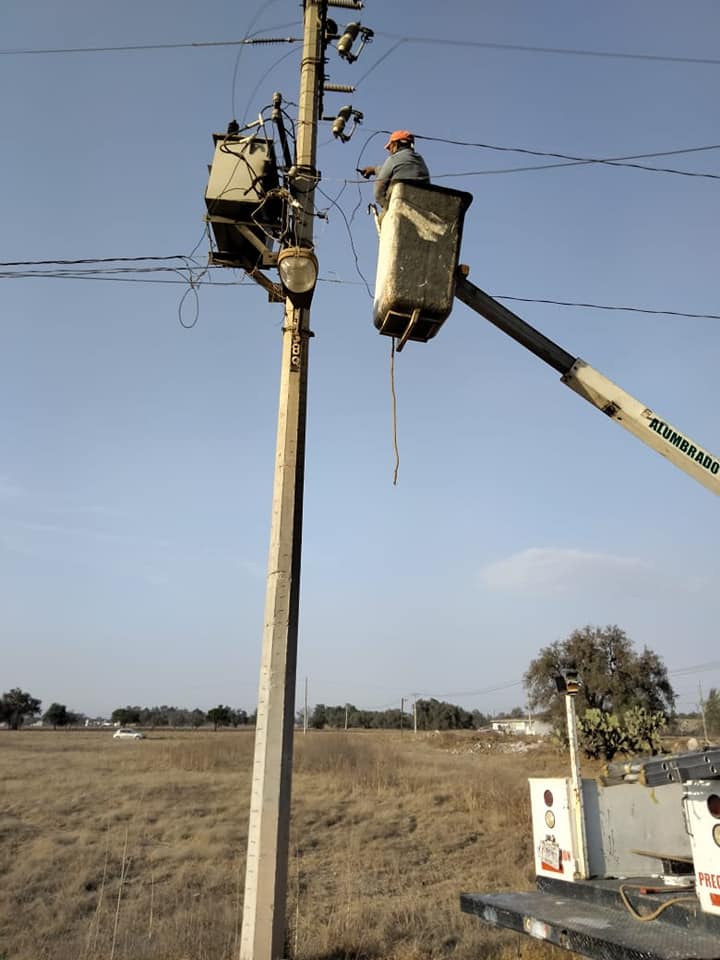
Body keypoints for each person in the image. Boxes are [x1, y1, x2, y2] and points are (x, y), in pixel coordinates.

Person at [359, 130, 430, 208]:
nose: (389, 151)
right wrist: (374, 170)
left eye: (390, 147)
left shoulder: (393, 159)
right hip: (422, 204)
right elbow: (401, 169)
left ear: (395, 145)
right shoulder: (420, 159)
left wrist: (387, 207)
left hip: (399, 203)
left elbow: (378, 190)